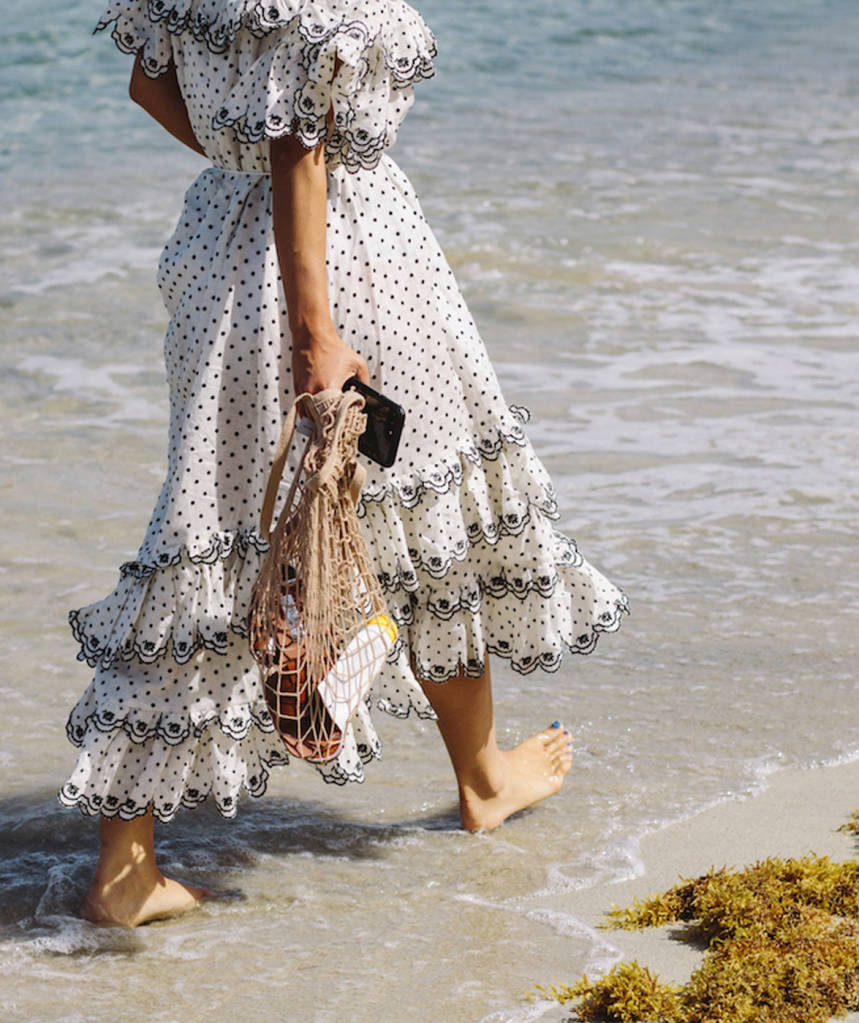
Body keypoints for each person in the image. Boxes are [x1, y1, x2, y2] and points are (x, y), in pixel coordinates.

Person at [60, 0, 628, 927]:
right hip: (351, 267)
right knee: (427, 517)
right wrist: (315, 337)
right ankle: (480, 778)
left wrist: (246, 166)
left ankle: (127, 865)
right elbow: (300, 148)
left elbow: (151, 84)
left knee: (207, 541)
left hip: (221, 256)